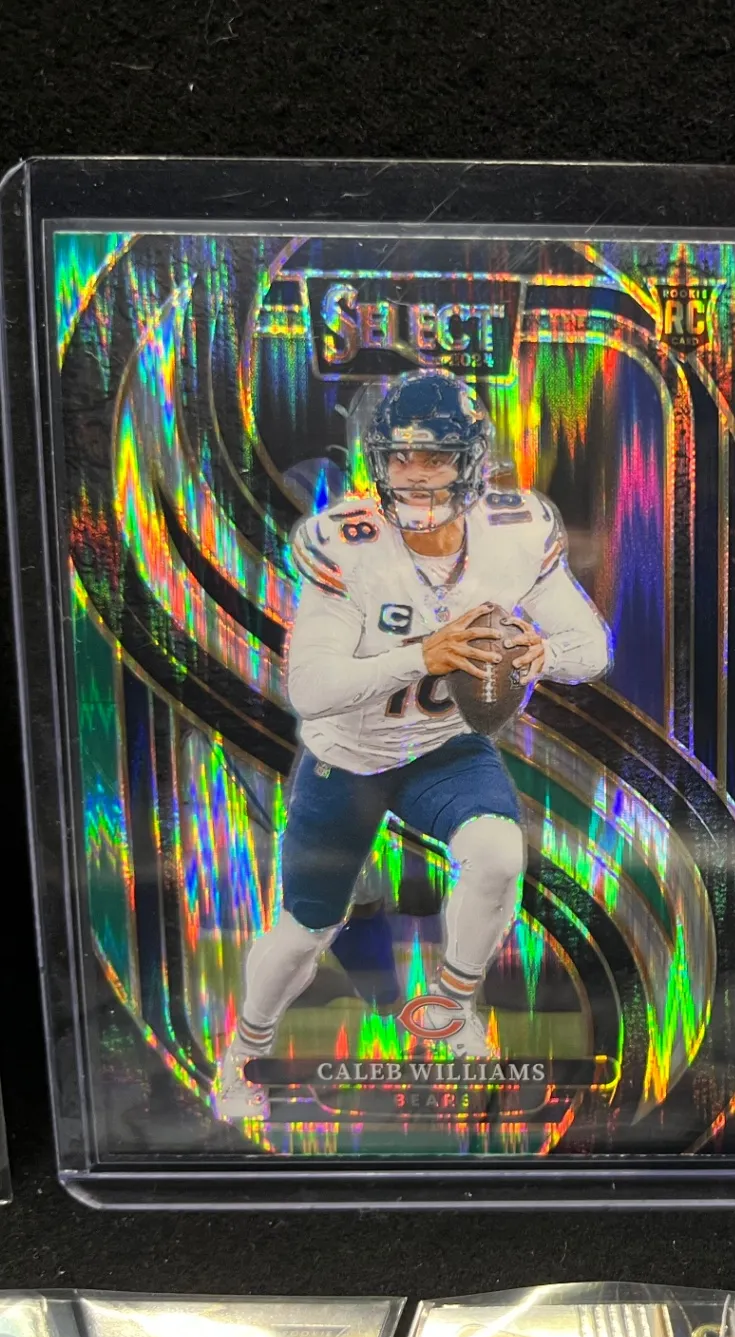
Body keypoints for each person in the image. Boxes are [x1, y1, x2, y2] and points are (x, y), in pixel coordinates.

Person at [215, 370, 610, 1122]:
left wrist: (542, 654)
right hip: (347, 757)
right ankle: (242, 1053)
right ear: (378, 461)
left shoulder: (515, 530)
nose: (416, 474)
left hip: (443, 747)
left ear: (472, 462)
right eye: (401, 457)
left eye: (435, 457)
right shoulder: (349, 544)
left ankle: (452, 1008)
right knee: (305, 932)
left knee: (498, 855)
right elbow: (312, 689)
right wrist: (423, 655)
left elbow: (589, 646)